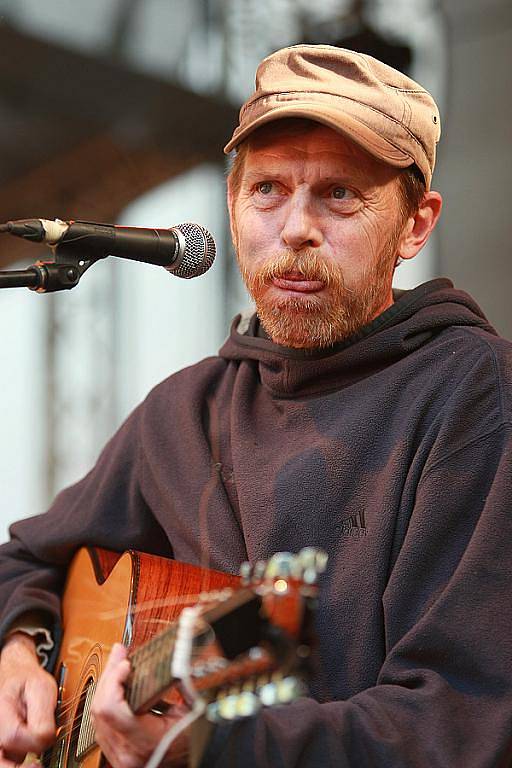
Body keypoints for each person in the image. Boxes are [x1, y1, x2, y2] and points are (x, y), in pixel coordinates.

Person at [0, 43, 511, 768]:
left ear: (415, 224)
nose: (296, 227)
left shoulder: (474, 395)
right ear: (234, 207)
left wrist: (217, 748)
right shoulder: (184, 410)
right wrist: (21, 648)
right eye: (267, 189)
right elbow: (24, 561)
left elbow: (462, 722)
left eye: (340, 194)